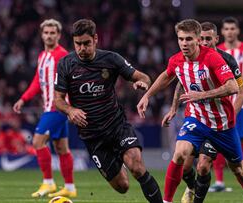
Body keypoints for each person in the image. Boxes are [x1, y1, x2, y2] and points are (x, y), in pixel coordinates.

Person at [137, 19, 243, 203]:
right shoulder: (177, 59)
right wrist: (147, 95)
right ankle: (167, 200)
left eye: (188, 39)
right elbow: (168, 76)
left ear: (197, 40)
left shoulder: (214, 58)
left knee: (238, 169)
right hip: (196, 119)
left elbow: (234, 87)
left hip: (222, 123)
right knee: (180, 154)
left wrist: (202, 95)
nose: (184, 43)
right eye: (181, 39)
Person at [54, 19, 163, 203]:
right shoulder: (65, 64)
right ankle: (120, 160)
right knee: (122, 187)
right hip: (92, 136)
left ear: (96, 39)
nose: (82, 48)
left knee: (136, 166)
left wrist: (142, 82)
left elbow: (143, 76)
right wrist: (70, 110)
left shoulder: (111, 59)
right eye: (78, 44)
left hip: (116, 125)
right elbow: (58, 100)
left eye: (86, 43)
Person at [161, 21, 243, 203]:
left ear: (216, 39)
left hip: (219, 121)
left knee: (204, 166)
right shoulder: (191, 58)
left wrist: (231, 118)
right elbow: (180, 82)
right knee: (184, 166)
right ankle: (191, 187)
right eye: (203, 39)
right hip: (196, 118)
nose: (204, 43)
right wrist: (174, 107)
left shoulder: (227, 60)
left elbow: (241, 91)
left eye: (208, 39)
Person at [13, 19, 76, 198]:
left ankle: (48, 182)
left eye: (52, 33)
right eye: (46, 33)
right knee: (62, 148)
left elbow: (72, 80)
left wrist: (72, 105)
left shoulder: (62, 55)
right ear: (42, 35)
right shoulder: (42, 56)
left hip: (57, 108)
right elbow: (37, 81)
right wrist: (23, 99)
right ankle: (70, 187)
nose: (49, 36)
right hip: (50, 107)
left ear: (58, 35)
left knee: (37, 142)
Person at [210, 16, 243, 192]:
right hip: (222, 104)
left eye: (233, 28)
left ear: (237, 30)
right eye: (226, 29)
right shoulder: (216, 51)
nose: (230, 32)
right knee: (217, 140)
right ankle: (219, 182)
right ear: (222, 32)